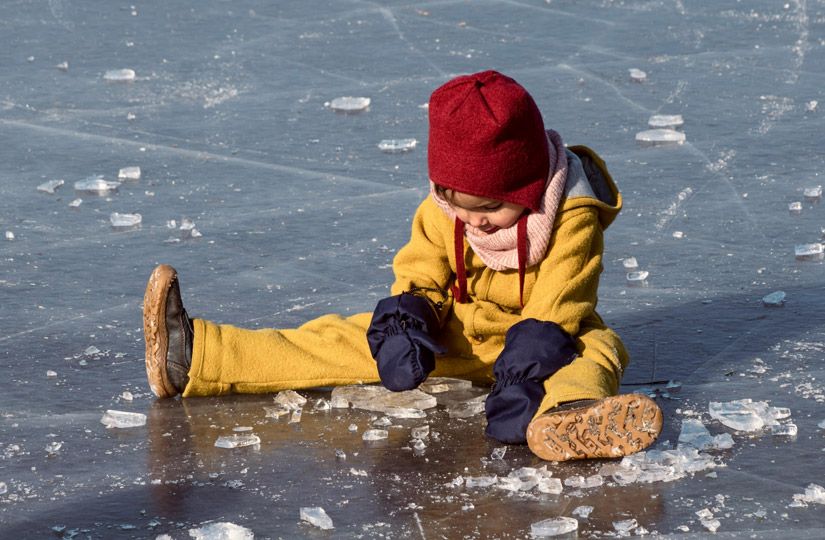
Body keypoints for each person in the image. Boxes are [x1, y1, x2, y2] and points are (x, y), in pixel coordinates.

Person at [143, 70, 662, 462]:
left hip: (547, 341)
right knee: (341, 338)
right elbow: (422, 268)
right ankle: (199, 356)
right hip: (460, 329)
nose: (474, 223)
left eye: (490, 209)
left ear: (528, 188)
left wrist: (526, 374)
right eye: (460, 205)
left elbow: (561, 303)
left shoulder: (571, 214)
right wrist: (406, 325)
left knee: (598, 351)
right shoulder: (446, 209)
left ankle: (564, 417)